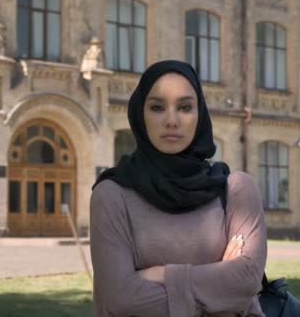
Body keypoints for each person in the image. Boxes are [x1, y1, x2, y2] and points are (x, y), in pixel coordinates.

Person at [90, 60, 267, 316]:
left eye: (185, 107)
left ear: (200, 114)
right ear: (141, 114)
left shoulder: (235, 190)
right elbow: (122, 300)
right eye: (157, 107)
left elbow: (247, 280)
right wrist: (219, 289)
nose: (171, 120)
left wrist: (159, 275)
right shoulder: (111, 195)